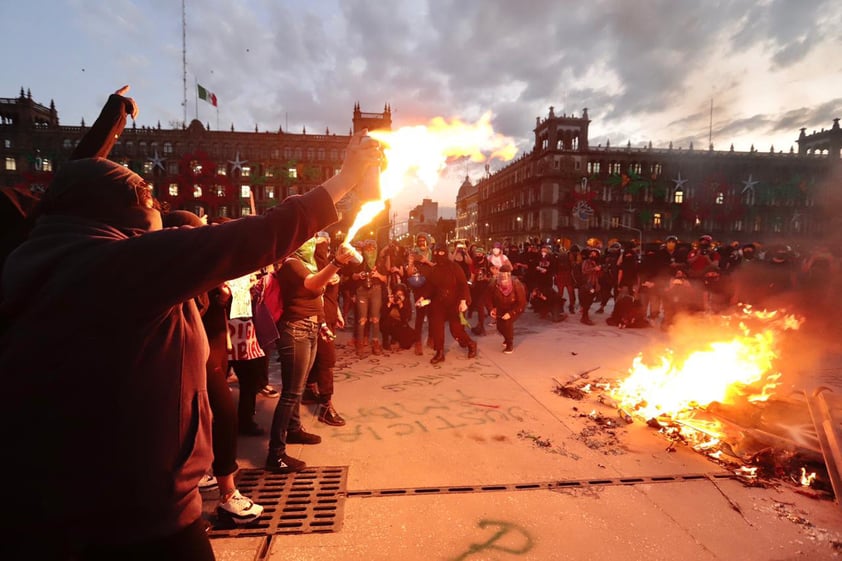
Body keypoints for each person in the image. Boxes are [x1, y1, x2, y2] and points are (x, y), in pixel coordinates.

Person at [0, 83, 384, 560]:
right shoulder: (120, 265)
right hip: (138, 515)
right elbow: (255, 236)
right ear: (126, 215)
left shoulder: (33, 256)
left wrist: (110, 124)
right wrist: (345, 179)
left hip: (48, 503)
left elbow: (65, 192)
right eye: (149, 207)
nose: (159, 217)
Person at [163, 210, 262, 525]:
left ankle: (200, 475)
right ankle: (227, 495)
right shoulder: (180, 276)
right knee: (223, 415)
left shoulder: (207, 270)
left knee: (206, 418)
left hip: (216, 352)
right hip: (196, 359)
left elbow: (237, 307)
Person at [267, 236, 360, 473]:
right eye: (309, 237)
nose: (315, 239)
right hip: (295, 330)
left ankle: (294, 429)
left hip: (310, 328)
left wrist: (324, 322)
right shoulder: (291, 263)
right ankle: (275, 454)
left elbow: (318, 295)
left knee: (298, 389)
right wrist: (336, 263)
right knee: (291, 392)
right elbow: (312, 285)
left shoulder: (307, 263)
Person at [302, 231, 346, 427]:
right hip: (319, 320)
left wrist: (337, 312)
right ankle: (326, 406)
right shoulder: (313, 266)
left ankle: (310, 390)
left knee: (319, 358)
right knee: (326, 361)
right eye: (321, 244)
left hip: (327, 315)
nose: (325, 247)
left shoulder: (326, 264)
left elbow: (329, 295)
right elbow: (317, 286)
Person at [427, 243, 477, 364]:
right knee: (437, 328)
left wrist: (464, 301)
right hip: (439, 303)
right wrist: (424, 298)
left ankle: (470, 344)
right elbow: (430, 287)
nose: (438, 255)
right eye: (436, 253)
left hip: (454, 302)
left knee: (456, 330)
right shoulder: (434, 269)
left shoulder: (455, 267)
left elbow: (463, 284)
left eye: (441, 252)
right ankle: (439, 352)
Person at [348, 238, 387, 357]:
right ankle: (359, 344)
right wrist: (359, 275)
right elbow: (352, 276)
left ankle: (375, 342)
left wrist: (378, 275)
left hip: (375, 290)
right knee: (362, 319)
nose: (369, 251)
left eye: (372, 248)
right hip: (362, 291)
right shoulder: (359, 261)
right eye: (367, 248)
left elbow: (385, 278)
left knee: (375, 318)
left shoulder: (379, 262)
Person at [488, 264, 527, 353]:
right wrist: (491, 309)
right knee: (499, 327)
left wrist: (511, 313)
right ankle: (506, 338)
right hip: (501, 306)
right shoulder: (494, 283)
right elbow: (488, 297)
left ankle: (510, 344)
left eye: (506, 275)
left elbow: (522, 303)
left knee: (507, 324)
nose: (504, 278)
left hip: (514, 307)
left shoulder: (516, 284)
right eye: (502, 275)